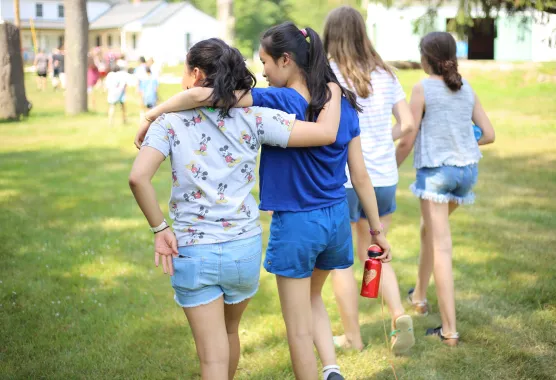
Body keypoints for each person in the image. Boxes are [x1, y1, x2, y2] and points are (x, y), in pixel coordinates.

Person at [134, 22, 392, 380]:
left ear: (286, 60)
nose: (263, 73)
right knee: (313, 297)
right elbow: (359, 174)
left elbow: (202, 98)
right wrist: (376, 230)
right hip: (333, 217)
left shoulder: (281, 100)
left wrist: (152, 114)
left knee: (296, 326)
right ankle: (331, 367)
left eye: (266, 63)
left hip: (296, 223)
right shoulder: (340, 100)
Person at [322, 5, 416, 354]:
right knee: (376, 251)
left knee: (341, 262)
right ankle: (397, 315)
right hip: (384, 176)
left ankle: (353, 337)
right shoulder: (387, 74)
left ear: (331, 36)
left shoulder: (328, 74)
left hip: (344, 178)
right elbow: (408, 126)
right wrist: (381, 138)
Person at [395, 31, 495, 346]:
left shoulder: (422, 88)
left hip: (437, 175)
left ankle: (449, 331)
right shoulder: (466, 89)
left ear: (426, 59)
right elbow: (489, 134)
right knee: (429, 230)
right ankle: (420, 297)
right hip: (466, 174)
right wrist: (463, 141)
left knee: (441, 246)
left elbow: (408, 135)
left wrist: (391, 165)